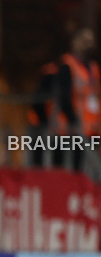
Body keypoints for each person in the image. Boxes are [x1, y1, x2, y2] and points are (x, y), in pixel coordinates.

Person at [28, 26, 100, 171]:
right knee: (59, 163)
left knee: (83, 166)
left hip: (89, 127)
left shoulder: (93, 68)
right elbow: (59, 96)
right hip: (67, 125)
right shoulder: (66, 67)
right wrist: (71, 118)